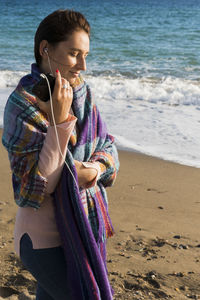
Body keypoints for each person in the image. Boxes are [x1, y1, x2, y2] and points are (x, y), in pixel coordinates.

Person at [2, 9, 119, 300]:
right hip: (43, 242)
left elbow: (108, 147)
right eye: (74, 53)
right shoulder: (21, 105)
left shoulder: (83, 93)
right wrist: (59, 122)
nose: (83, 65)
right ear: (46, 49)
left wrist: (93, 170)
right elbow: (37, 188)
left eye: (86, 55)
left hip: (84, 232)